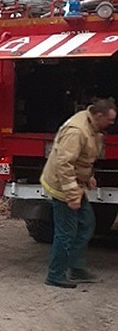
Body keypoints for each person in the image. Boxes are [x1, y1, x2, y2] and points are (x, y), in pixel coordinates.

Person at [40, 98, 116, 288]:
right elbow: (63, 164)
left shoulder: (93, 127)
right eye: (110, 120)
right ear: (99, 116)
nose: (112, 124)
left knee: (86, 224)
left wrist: (88, 176)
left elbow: (82, 158)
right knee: (66, 232)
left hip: (75, 183)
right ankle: (55, 274)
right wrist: (72, 194)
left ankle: (76, 268)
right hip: (62, 186)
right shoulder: (77, 131)